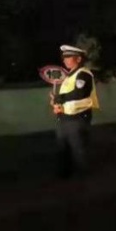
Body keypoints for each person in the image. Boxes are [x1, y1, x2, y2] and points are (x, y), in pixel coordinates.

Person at [50, 44, 99, 178]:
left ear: (78, 59)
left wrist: (60, 98)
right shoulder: (68, 77)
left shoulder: (83, 74)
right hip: (65, 117)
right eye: (64, 57)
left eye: (68, 57)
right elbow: (67, 97)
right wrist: (56, 103)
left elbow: (79, 93)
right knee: (63, 149)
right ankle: (65, 175)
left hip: (78, 117)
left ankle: (84, 178)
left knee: (78, 149)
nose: (65, 60)